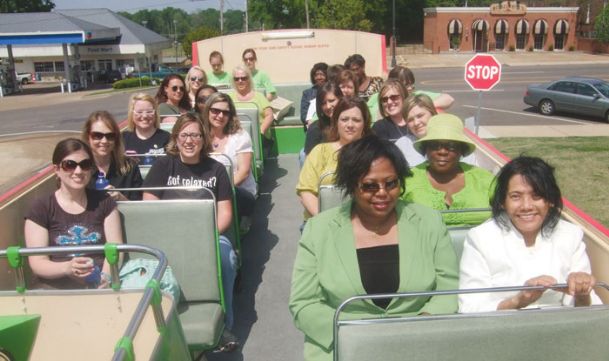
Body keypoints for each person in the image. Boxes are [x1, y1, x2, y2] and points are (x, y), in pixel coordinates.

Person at [289, 135, 459, 361]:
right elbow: (304, 303)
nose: (382, 193)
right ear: (351, 185)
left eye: (391, 183)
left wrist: (420, 326)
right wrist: (357, 337)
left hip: (417, 343)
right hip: (344, 343)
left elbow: (449, 289)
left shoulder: (429, 222)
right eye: (369, 186)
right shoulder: (318, 231)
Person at [459, 156, 601, 313]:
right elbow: (470, 307)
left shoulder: (570, 234)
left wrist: (581, 292)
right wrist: (518, 301)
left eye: (537, 196)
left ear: (550, 199)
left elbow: (586, 310)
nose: (526, 206)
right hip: (502, 328)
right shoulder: (480, 238)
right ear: (502, 201)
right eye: (515, 197)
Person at [142, 113, 239, 334]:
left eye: (195, 135)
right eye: (184, 135)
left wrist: (206, 236)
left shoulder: (216, 169)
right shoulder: (164, 165)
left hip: (209, 235)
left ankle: (225, 323)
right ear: (175, 139)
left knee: (227, 260)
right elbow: (150, 206)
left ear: (204, 139)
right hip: (167, 235)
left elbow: (225, 213)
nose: (189, 141)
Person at [24, 138, 123, 289]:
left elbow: (116, 250)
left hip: (97, 282)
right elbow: (38, 262)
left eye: (85, 165)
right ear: (56, 169)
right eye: (69, 165)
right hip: (54, 286)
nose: (78, 171)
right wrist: (67, 268)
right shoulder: (41, 208)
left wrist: (105, 277)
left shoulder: (105, 203)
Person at [402, 113, 494, 227]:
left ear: (461, 150)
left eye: (451, 146)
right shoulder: (407, 180)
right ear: (426, 149)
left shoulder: (484, 179)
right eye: (435, 145)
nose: (442, 152)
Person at [297, 97, 372, 220]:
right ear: (336, 122)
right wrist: (327, 221)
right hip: (323, 222)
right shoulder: (319, 152)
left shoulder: (374, 153)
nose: (350, 125)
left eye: (356, 120)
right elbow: (306, 192)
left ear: (365, 123)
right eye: (344, 119)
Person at [202, 92, 257, 221]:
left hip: (237, 190)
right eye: (215, 111)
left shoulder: (240, 136)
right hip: (208, 190)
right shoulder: (200, 135)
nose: (220, 116)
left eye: (225, 112)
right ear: (208, 111)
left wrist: (219, 192)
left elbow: (243, 172)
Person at [83, 111, 143, 201]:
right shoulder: (79, 168)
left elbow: (138, 208)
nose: (104, 141)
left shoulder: (130, 167)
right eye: (97, 135)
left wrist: (120, 198)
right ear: (88, 137)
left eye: (110, 136)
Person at [227, 65, 274, 153]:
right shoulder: (229, 98)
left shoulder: (259, 96)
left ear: (248, 79)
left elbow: (269, 115)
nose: (240, 81)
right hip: (235, 135)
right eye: (237, 79)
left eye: (243, 78)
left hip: (258, 136)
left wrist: (261, 131)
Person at [122, 93, 170, 163]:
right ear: (132, 113)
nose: (144, 116)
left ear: (155, 113)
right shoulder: (123, 139)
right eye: (139, 112)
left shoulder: (166, 138)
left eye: (149, 112)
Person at [388, 65, 454, 110]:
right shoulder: (381, 98)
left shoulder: (416, 96)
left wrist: (423, 106)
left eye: (411, 85)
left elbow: (449, 99)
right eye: (406, 85)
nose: (410, 88)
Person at [303, 82, 343, 156]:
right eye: (323, 103)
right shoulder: (315, 128)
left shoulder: (349, 124)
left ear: (341, 99)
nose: (328, 106)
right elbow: (311, 161)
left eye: (331, 101)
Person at [300, 62, 328, 127]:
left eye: (322, 74)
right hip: (312, 125)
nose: (319, 77)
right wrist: (311, 122)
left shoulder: (332, 91)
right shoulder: (307, 93)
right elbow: (304, 115)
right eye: (316, 75)